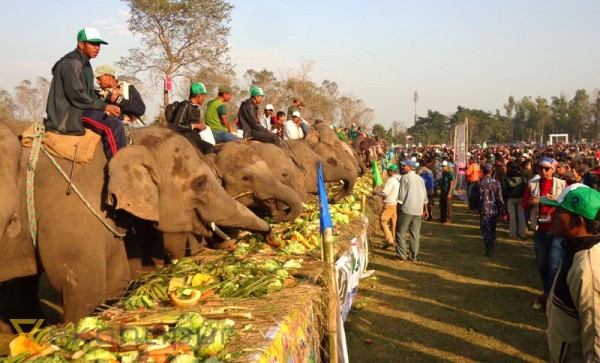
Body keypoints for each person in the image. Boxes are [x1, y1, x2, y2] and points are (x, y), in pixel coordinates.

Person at [44, 27, 125, 160]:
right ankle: (119, 168)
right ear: (80, 44)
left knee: (115, 119)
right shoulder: (72, 63)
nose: (97, 48)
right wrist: (104, 107)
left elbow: (90, 94)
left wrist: (105, 106)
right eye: (93, 44)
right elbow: (77, 95)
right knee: (114, 126)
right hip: (71, 114)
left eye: (98, 44)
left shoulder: (85, 64)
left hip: (80, 109)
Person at [541, 184, 600, 362]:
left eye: (559, 213)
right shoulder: (573, 249)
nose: (552, 216)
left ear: (577, 222)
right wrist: (552, 300)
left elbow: (596, 336)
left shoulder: (587, 268)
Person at [522, 157, 567, 311]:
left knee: (554, 264)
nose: (543, 171)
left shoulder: (562, 185)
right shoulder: (532, 184)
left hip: (557, 230)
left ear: (554, 169)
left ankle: (549, 295)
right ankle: (547, 290)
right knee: (542, 264)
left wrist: (557, 200)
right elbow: (524, 205)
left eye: (547, 168)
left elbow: (567, 207)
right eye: (541, 168)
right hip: (540, 229)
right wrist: (530, 203)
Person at [394, 160, 429, 261]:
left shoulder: (405, 177)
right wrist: (425, 209)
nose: (402, 167)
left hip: (407, 208)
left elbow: (401, 196)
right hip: (418, 209)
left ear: (409, 167)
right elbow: (424, 196)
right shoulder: (420, 179)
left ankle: (401, 255)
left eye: (404, 166)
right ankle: (414, 256)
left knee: (400, 232)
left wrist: (397, 207)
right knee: (415, 234)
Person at [171, 82, 214, 154]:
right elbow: (177, 126)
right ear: (198, 96)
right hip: (186, 138)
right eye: (204, 96)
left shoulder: (196, 108)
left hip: (195, 137)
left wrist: (201, 127)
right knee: (210, 149)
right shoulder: (185, 105)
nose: (204, 98)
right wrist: (195, 126)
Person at [478, 164, 504, 257]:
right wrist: (501, 209)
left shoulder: (480, 183)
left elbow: (475, 197)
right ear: (491, 171)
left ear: (483, 171)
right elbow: (500, 198)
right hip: (494, 209)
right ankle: (491, 245)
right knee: (492, 228)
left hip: (484, 209)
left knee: (486, 229)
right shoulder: (496, 183)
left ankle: (489, 248)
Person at [377, 164, 402, 250]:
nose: (387, 172)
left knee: (383, 221)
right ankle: (394, 239)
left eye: (388, 171)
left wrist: (376, 192)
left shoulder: (391, 180)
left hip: (389, 204)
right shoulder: (399, 179)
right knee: (394, 222)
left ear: (391, 171)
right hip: (395, 203)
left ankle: (389, 239)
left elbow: (385, 193)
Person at [501, 161, 527, 239]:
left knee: (512, 217)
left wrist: (504, 198)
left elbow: (504, 189)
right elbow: (525, 186)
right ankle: (522, 233)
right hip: (520, 198)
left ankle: (513, 233)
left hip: (510, 199)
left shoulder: (506, 177)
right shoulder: (522, 176)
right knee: (521, 216)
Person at [439, 160, 454, 224]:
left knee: (448, 206)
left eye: (444, 166)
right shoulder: (444, 173)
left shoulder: (450, 173)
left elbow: (451, 183)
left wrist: (449, 193)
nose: (443, 167)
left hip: (448, 192)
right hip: (443, 192)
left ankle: (448, 220)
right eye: (442, 166)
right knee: (442, 205)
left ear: (447, 166)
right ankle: (442, 218)